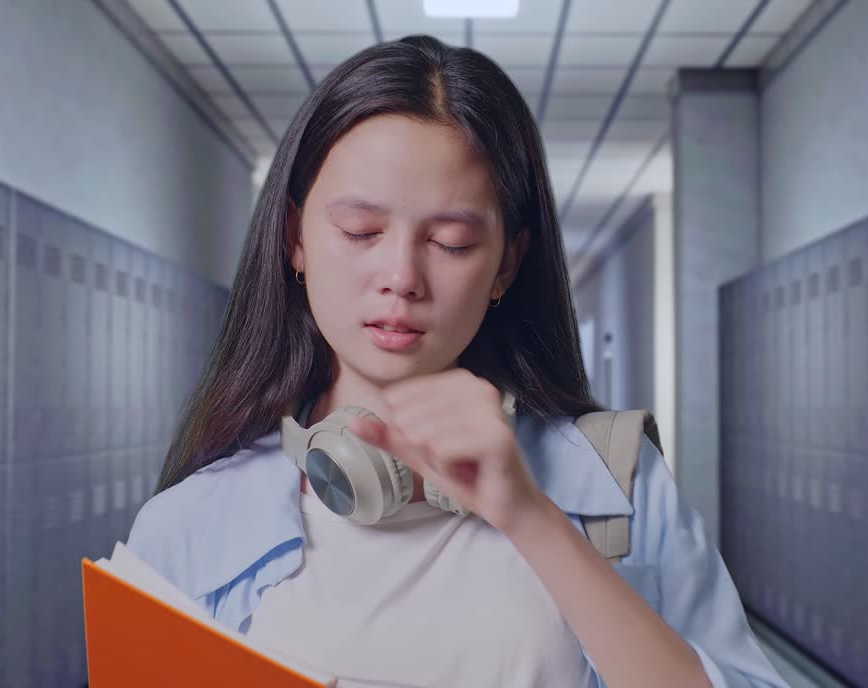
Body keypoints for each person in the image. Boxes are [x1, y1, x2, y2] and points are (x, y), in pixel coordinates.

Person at [127, 35, 786, 688]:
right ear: (295, 239)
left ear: (506, 263)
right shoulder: (190, 523)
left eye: (451, 241)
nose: (401, 275)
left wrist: (532, 517)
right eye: (361, 232)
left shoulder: (619, 487)